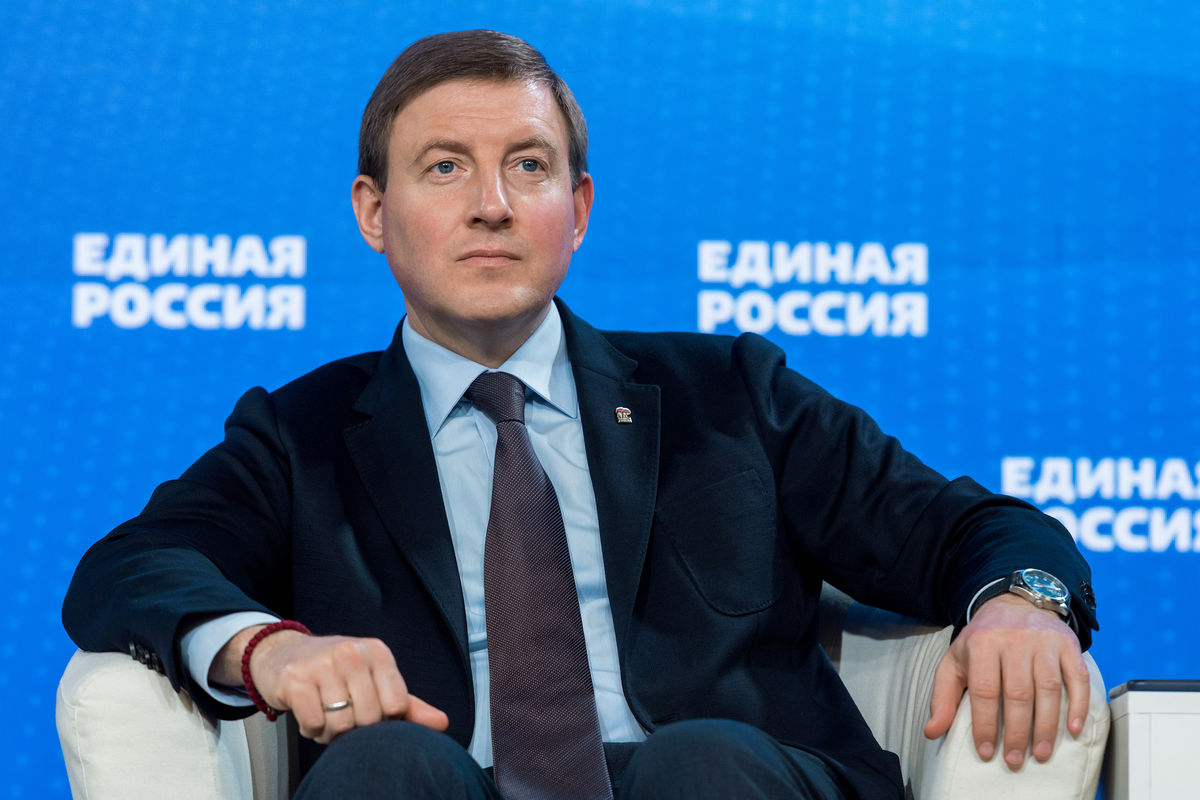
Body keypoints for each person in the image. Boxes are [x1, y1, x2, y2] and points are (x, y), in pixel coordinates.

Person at [63, 30, 1097, 800]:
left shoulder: (730, 394)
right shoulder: (303, 434)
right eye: (444, 168)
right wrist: (267, 650)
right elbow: (130, 566)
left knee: (701, 761)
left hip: (714, 783)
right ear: (373, 213)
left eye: (528, 165)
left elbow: (974, 528)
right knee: (385, 767)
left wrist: (1022, 602)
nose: (492, 204)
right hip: (439, 783)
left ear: (579, 208)